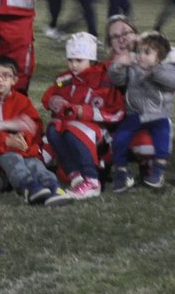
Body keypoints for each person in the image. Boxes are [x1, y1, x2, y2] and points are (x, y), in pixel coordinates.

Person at [103, 0, 175, 174]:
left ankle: (145, 157)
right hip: (115, 129)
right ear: (110, 46)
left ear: (137, 35)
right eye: (115, 37)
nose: (122, 38)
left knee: (147, 145)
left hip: (147, 124)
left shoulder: (158, 62)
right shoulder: (104, 69)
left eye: (126, 32)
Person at [0, 56, 71, 205]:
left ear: (14, 80)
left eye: (6, 76)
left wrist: (24, 139)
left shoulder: (22, 101)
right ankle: (29, 188)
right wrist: (6, 140)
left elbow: (35, 124)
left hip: (26, 149)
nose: (0, 80)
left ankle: (54, 188)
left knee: (36, 165)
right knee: (13, 162)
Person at [41, 32, 120, 199]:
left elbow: (116, 113)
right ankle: (75, 176)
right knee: (53, 128)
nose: (73, 65)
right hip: (68, 128)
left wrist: (84, 111)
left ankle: (92, 181)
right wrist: (52, 100)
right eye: (70, 60)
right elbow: (51, 92)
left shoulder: (105, 80)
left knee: (72, 129)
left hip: (100, 134)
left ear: (91, 60)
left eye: (79, 60)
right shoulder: (65, 78)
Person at [108, 30, 175, 192]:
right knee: (120, 138)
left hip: (158, 114)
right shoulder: (133, 68)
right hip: (136, 113)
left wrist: (154, 72)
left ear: (159, 57)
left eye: (147, 53)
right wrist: (118, 66)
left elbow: (174, 81)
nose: (141, 56)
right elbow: (116, 79)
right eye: (139, 51)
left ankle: (158, 171)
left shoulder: (166, 68)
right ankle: (121, 171)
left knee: (163, 137)